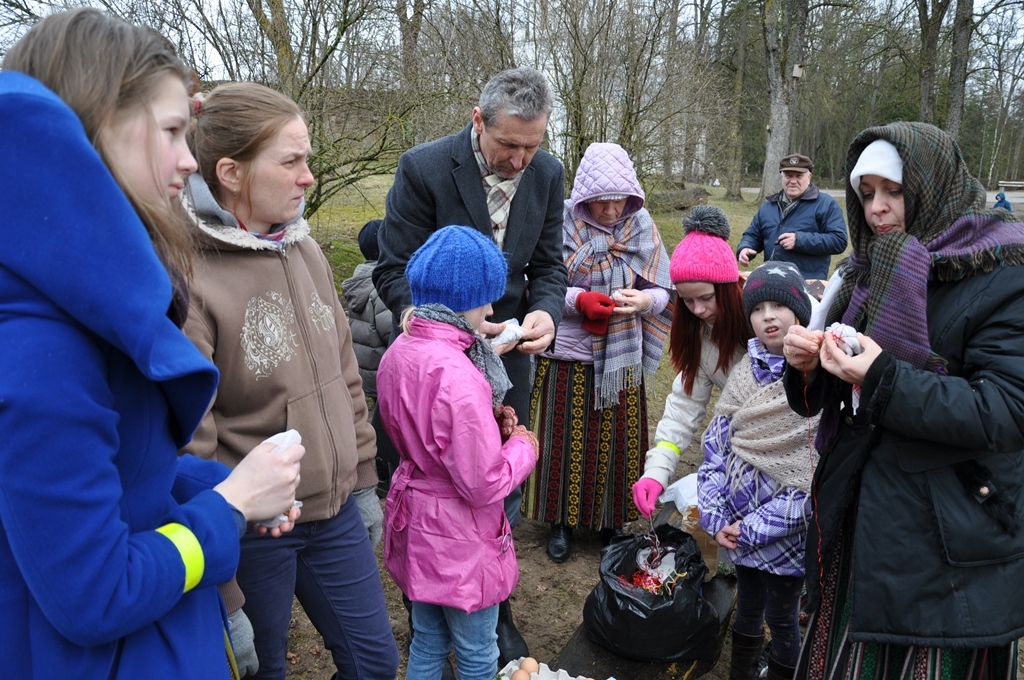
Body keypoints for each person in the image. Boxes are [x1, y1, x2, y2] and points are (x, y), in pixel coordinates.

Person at [0, 9, 305, 679]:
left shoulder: (76, 306)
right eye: (171, 131)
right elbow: (95, 594)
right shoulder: (42, 350)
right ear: (92, 132)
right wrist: (228, 508)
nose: (190, 160)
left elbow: (123, 475)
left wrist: (232, 487)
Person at [783, 122, 1024, 680]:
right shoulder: (867, 271)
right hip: (866, 522)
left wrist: (882, 376)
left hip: (950, 543)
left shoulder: (1001, 273)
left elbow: (1007, 411)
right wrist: (810, 368)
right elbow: (839, 399)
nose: (877, 209)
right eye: (866, 193)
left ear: (931, 187)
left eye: (894, 191)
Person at [183, 82, 398, 680]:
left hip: (336, 511)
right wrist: (222, 590)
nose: (309, 176)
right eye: (291, 161)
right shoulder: (189, 276)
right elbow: (190, 440)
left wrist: (363, 478)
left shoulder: (304, 251)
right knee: (265, 672)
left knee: (375, 664)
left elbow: (345, 375)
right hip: (252, 531)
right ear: (231, 172)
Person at [373, 65, 567, 660]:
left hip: (509, 361)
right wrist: (432, 328)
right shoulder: (424, 168)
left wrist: (545, 312)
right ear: (478, 120)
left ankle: (492, 611)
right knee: (433, 491)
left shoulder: (547, 174)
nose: (519, 160)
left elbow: (549, 265)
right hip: (436, 367)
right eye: (508, 144)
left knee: (497, 489)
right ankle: (427, 614)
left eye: (532, 146)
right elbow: (394, 268)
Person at [378, 225, 540, 680]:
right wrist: (523, 446)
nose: (491, 310)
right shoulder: (460, 375)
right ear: (461, 301)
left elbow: (426, 429)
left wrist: (489, 419)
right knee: (477, 651)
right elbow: (483, 482)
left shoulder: (401, 350)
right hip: (460, 536)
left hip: (418, 521)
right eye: (485, 300)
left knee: (428, 640)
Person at [521, 142, 672, 562]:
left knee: (616, 444)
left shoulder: (641, 226)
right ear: (585, 197)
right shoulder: (563, 222)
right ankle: (560, 523)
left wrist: (645, 302)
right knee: (561, 442)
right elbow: (539, 283)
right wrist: (578, 300)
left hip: (621, 361)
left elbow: (663, 289)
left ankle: (611, 523)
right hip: (567, 356)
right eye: (601, 201)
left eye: (617, 200)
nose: (609, 210)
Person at [699, 261, 819, 680]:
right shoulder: (743, 374)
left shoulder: (815, 380)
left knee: (782, 617)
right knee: (747, 607)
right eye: (757, 308)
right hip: (734, 526)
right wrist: (715, 517)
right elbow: (715, 449)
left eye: (779, 306)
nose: (768, 316)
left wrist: (751, 529)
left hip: (783, 535)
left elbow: (810, 481)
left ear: (799, 312)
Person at [632, 205, 749, 519]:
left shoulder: (763, 322)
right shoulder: (699, 335)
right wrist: (656, 471)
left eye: (706, 298)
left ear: (727, 289)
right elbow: (683, 408)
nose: (697, 310)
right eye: (687, 300)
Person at [342, 218, 394, 504]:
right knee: (386, 423)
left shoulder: (358, 280)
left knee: (371, 419)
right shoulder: (381, 288)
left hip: (362, 367)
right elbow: (391, 333)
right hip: (381, 368)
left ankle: (376, 469)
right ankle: (384, 474)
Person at [737, 153, 847, 279]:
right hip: (770, 279)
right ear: (782, 177)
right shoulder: (768, 206)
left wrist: (799, 240)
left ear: (809, 177)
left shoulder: (826, 204)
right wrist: (745, 247)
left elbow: (839, 240)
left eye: (799, 176)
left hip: (807, 283)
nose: (793, 181)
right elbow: (753, 234)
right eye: (788, 176)